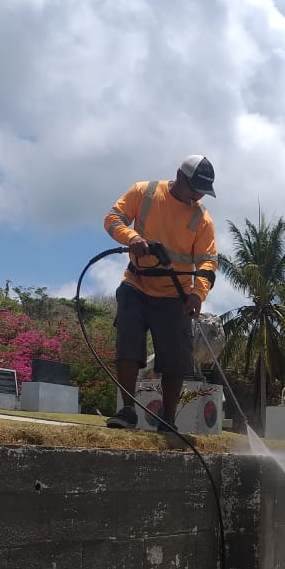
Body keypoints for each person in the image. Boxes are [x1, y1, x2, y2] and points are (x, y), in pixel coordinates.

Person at [103, 155, 218, 430]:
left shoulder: (202, 219)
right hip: (136, 284)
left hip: (174, 297)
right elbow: (112, 219)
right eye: (194, 188)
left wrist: (197, 294)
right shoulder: (144, 192)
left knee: (175, 358)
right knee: (128, 343)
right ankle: (128, 410)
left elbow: (208, 261)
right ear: (179, 177)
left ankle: (168, 419)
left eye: (203, 191)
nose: (198, 195)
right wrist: (133, 238)